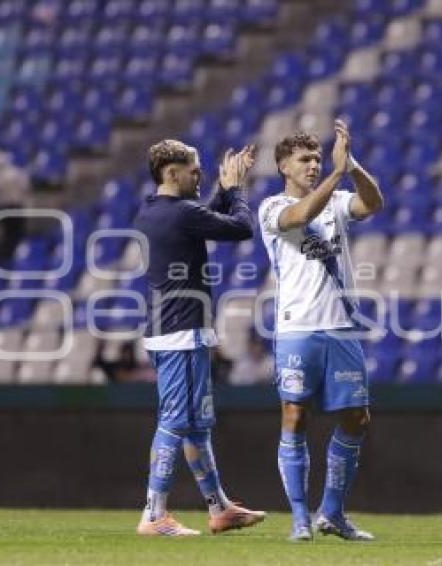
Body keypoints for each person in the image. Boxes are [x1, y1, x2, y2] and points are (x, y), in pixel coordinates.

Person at [133, 140, 266, 536]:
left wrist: (223, 191)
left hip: (166, 330)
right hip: (182, 332)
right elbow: (241, 227)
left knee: (195, 425)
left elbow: (200, 217)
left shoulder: (152, 211)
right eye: (193, 168)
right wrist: (236, 191)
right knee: (175, 422)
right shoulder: (182, 214)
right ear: (171, 173)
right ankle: (153, 514)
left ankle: (219, 507)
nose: (199, 173)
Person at [258, 122, 384, 541]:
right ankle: (299, 518)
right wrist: (335, 174)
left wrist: (352, 166)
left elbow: (373, 203)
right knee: (294, 416)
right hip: (298, 328)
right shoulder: (272, 207)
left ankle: (331, 512)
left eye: (316, 159)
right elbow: (301, 215)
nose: (312, 165)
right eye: (304, 160)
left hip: (342, 328)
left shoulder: (337, 201)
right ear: (283, 166)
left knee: (357, 418)